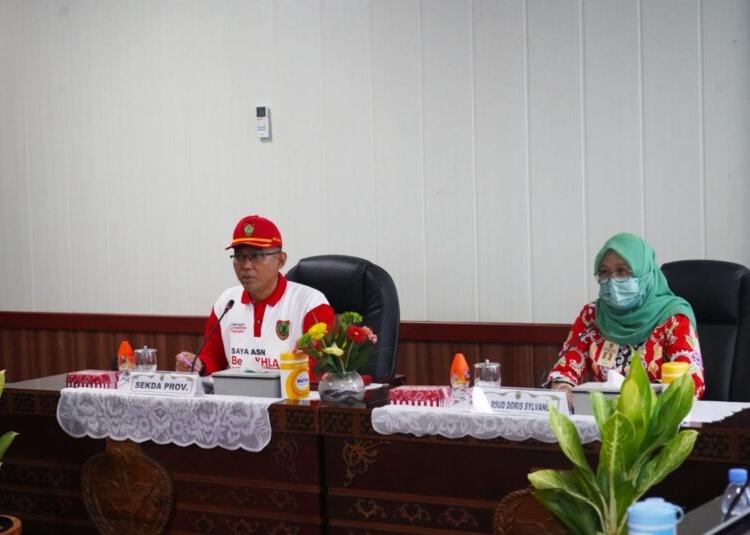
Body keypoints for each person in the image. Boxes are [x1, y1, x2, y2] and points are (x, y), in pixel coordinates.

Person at [546, 232, 705, 399]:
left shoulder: (673, 318)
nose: (612, 280)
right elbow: (563, 370)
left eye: (622, 271)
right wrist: (563, 388)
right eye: (604, 272)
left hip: (657, 419)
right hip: (603, 419)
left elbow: (691, 385)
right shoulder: (592, 316)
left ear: (644, 273)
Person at [176, 215, 335, 376]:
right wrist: (198, 365)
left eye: (256, 256)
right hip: (237, 397)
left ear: (280, 260)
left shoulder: (311, 304)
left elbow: (320, 370)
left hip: (289, 398)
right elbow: (213, 358)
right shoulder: (227, 302)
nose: (246, 265)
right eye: (239, 256)